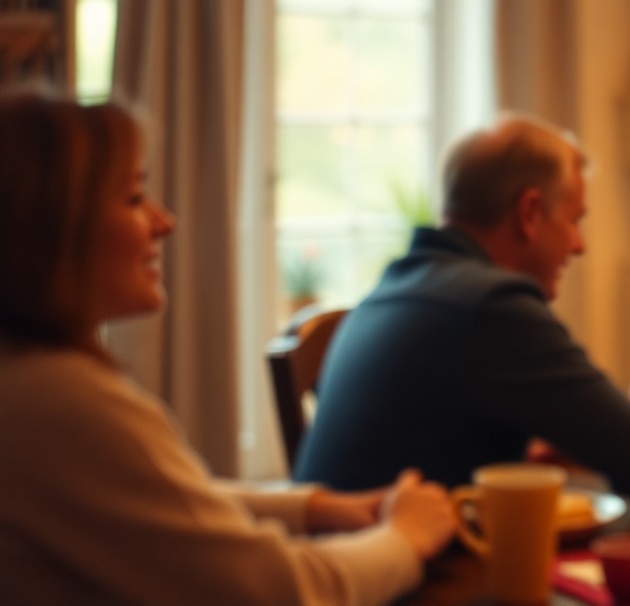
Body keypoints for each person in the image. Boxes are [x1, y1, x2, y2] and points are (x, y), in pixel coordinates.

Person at [0, 95, 457, 605]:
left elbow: (165, 507)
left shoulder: (25, 376)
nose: (164, 221)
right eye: (133, 199)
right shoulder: (62, 399)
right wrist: (405, 537)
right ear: (54, 227)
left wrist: (315, 509)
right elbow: (282, 593)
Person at [294, 114, 630, 512]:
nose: (579, 246)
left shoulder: (394, 289)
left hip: (336, 562)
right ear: (530, 213)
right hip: (405, 572)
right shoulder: (494, 308)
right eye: (574, 220)